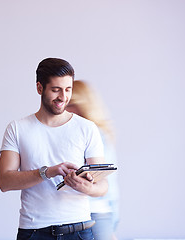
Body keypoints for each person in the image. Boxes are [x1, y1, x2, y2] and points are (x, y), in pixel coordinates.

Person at [0, 58, 109, 240]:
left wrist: (86, 187)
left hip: (79, 230)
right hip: (33, 232)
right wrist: (47, 172)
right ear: (39, 88)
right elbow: (4, 181)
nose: (63, 97)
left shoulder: (87, 128)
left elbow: (103, 186)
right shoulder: (17, 129)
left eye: (68, 90)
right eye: (56, 90)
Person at [66, 80, 119, 240]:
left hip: (95, 214)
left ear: (85, 104)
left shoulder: (96, 135)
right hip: (73, 215)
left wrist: (112, 223)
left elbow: (108, 182)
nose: (66, 108)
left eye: (72, 103)